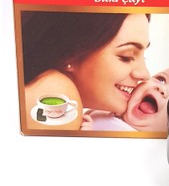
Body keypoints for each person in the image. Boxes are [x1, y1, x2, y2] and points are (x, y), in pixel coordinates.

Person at [21, 11, 151, 130]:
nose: (145, 74)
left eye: (143, 57)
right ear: (71, 54)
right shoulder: (56, 91)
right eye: (126, 57)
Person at [81, 66, 169, 133]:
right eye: (161, 79)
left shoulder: (142, 144)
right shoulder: (104, 111)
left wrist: (87, 137)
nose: (161, 89)